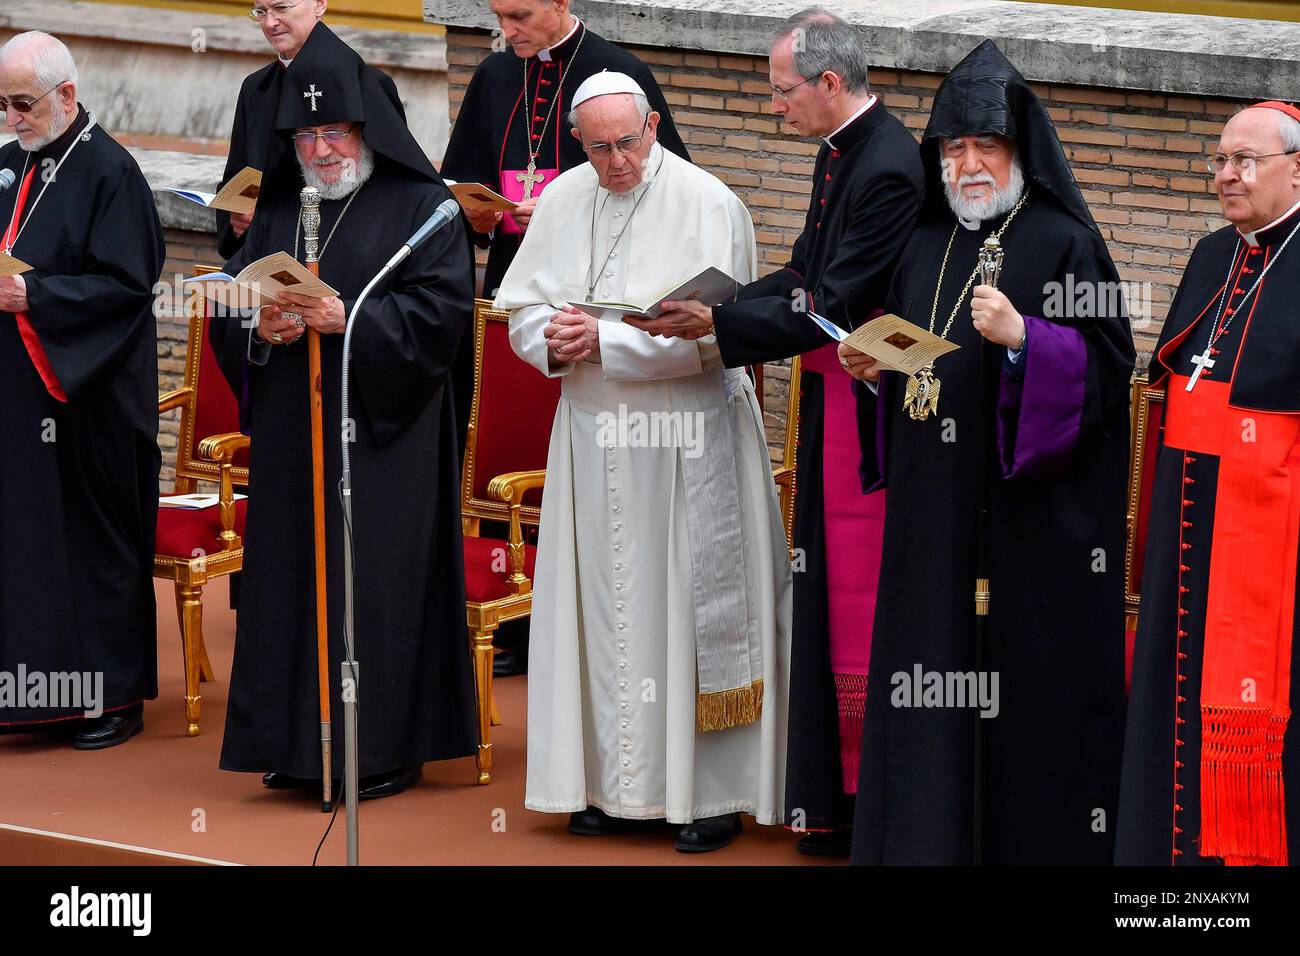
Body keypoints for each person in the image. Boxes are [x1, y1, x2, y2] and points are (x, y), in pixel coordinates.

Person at [624, 8, 924, 856]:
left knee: (850, 597)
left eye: (782, 91)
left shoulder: (890, 166)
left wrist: (717, 335)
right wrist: (719, 303)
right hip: (832, 397)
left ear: (831, 84)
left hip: (868, 410)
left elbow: (830, 305)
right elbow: (803, 272)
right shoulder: (844, 153)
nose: (774, 108)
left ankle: (863, 799)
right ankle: (830, 794)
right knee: (822, 589)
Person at [836, 39, 1134, 864]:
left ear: (1017, 153)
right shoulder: (925, 240)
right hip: (932, 516)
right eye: (954, 147)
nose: (967, 164)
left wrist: (1027, 341)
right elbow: (916, 356)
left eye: (985, 147)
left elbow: (1112, 369)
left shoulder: (1068, 243)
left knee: (1023, 711)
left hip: (1027, 530)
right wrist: (873, 368)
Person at [493, 71, 791, 852]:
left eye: (628, 142)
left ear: (652, 126)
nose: (617, 162)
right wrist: (549, 342)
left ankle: (707, 794)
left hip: (684, 438)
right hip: (591, 435)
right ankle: (604, 788)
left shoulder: (708, 202)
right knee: (597, 613)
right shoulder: (561, 199)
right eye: (598, 149)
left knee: (681, 610)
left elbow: (718, 336)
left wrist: (608, 342)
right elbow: (517, 306)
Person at [209, 29, 477, 800]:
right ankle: (294, 742)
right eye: (306, 134)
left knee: (373, 584)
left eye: (336, 132)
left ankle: (383, 746)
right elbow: (236, 288)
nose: (321, 149)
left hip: (384, 439)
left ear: (370, 131)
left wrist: (349, 317)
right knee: (291, 577)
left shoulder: (426, 209)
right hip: (297, 431)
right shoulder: (284, 206)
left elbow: (439, 319)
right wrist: (258, 327)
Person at [1117, 102, 1300, 867]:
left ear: (1297, 168)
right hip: (1186, 533)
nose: (1226, 175)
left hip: (1273, 549)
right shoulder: (1209, 255)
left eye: (1246, 160)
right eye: (1220, 160)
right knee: (1170, 695)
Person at [0, 32, 164, 747]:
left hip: (87, 391)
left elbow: (127, 286)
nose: (12, 118)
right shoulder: (9, 164)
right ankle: (28, 696)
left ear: (67, 94)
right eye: (3, 105)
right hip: (16, 392)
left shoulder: (110, 171)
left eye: (23, 103)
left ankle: (111, 698)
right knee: (24, 543)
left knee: (94, 546)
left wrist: (32, 293)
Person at [441, 0, 689, 299]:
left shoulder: (620, 73)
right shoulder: (494, 73)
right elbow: (464, 177)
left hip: (592, 279)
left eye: (519, 16)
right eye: (500, 17)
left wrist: (559, 212)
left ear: (559, 3)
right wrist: (479, 221)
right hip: (509, 274)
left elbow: (667, 184)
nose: (506, 31)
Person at [216, 1, 406, 260]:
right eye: (261, 12)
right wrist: (236, 219)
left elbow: (396, 184)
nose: (270, 23)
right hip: (277, 253)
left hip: (355, 252)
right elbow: (239, 178)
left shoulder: (368, 84)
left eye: (281, 8)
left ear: (319, 4)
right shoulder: (256, 90)